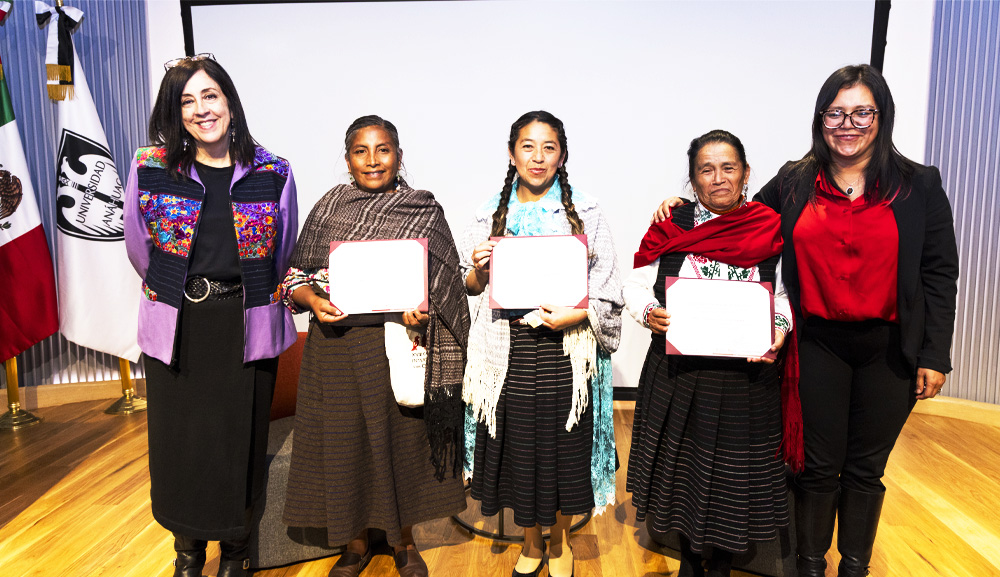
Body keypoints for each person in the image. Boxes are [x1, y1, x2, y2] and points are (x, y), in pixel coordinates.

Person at [654, 65, 959, 577]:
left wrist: (934, 353)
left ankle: (855, 567)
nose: (848, 123)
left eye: (862, 112)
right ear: (821, 120)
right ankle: (810, 567)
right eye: (836, 112)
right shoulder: (797, 179)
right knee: (817, 467)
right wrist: (686, 209)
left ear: (881, 117)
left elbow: (939, 273)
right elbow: (739, 215)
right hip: (816, 344)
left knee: (866, 468)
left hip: (890, 348)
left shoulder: (918, 185)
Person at [124, 55, 298, 577]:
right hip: (179, 326)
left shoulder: (273, 171)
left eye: (210, 96)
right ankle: (189, 552)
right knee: (183, 447)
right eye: (187, 101)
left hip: (246, 326)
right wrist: (179, 290)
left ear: (229, 101)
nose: (202, 109)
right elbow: (139, 247)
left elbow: (282, 249)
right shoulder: (150, 167)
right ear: (176, 114)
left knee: (240, 445)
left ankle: (238, 553)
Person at [280, 115, 470, 577]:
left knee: (399, 442)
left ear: (399, 156)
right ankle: (354, 542)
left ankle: (404, 542)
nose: (372, 160)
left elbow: (444, 286)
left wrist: (421, 312)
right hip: (338, 346)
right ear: (347, 160)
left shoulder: (421, 209)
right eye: (361, 151)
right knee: (343, 444)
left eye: (382, 150)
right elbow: (293, 278)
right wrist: (313, 300)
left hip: (397, 346)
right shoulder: (329, 207)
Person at [461, 111, 623, 577]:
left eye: (548, 147)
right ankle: (530, 542)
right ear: (511, 154)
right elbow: (468, 284)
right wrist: (479, 269)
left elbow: (607, 283)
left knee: (563, 449)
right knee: (520, 449)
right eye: (527, 146)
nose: (537, 157)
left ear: (562, 155)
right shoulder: (486, 211)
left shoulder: (587, 210)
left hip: (566, 350)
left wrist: (580, 313)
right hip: (507, 349)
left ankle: (558, 542)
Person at [625, 130, 791, 577]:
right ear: (694, 180)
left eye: (728, 168)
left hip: (745, 381)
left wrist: (778, 329)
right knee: (683, 473)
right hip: (680, 374)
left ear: (746, 174)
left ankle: (719, 561)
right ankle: (690, 558)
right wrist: (648, 311)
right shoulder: (671, 225)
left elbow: (782, 298)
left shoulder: (769, 227)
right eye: (706, 169)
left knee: (733, 478)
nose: (718, 178)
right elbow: (634, 284)